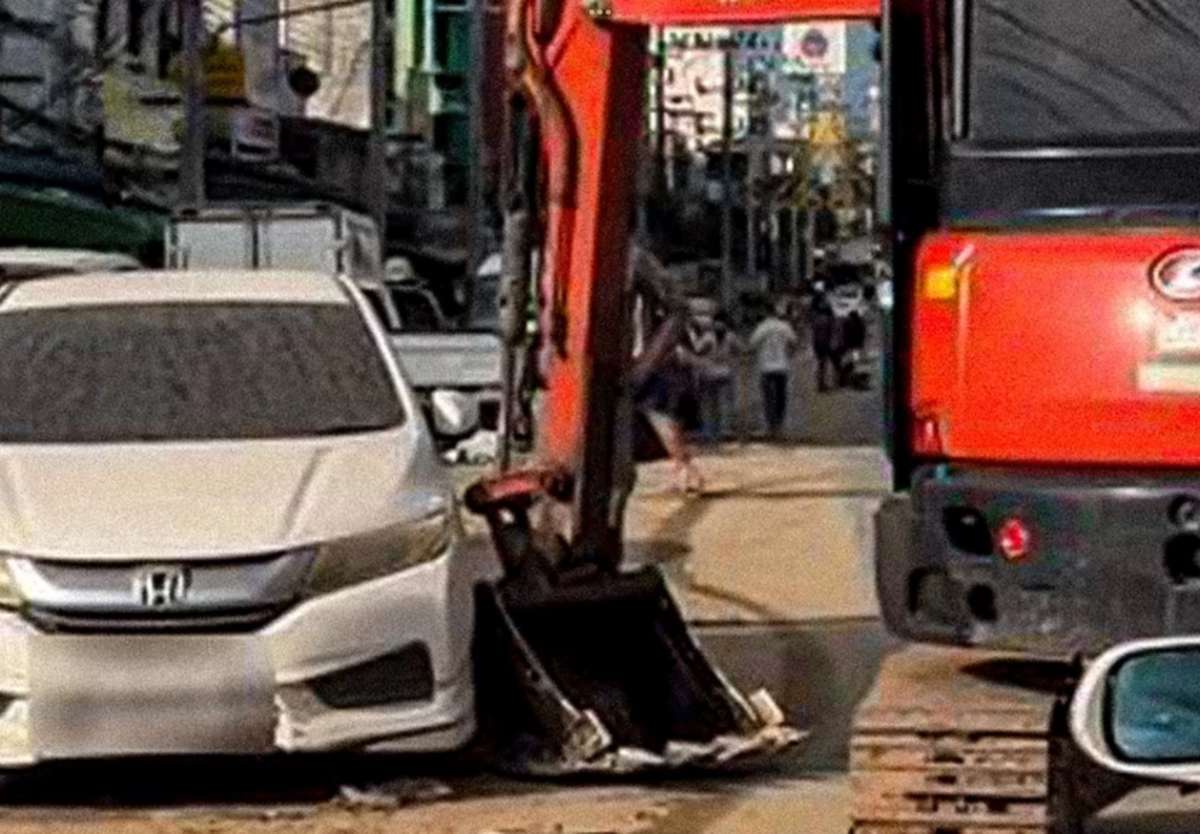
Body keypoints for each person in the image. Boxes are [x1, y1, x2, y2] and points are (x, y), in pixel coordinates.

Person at [748, 301, 799, 439]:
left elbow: (752, 344)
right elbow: (794, 342)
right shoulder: (784, 327)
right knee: (781, 398)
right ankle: (779, 426)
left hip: (765, 367)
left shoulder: (762, 328)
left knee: (768, 398)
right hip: (782, 366)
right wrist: (789, 353)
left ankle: (770, 426)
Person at [695, 313, 740, 443]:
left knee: (709, 405)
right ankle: (723, 431)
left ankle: (709, 432)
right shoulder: (730, 336)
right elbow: (739, 350)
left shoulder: (707, 337)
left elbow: (697, 350)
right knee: (723, 404)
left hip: (708, 374)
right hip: (725, 373)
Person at [810, 291, 836, 392]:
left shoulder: (815, 318)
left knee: (821, 363)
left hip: (817, 342)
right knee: (823, 363)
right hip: (824, 342)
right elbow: (832, 331)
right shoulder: (827, 318)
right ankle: (823, 383)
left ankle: (821, 383)